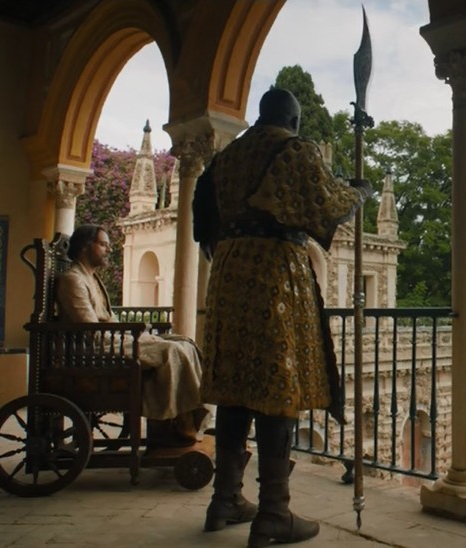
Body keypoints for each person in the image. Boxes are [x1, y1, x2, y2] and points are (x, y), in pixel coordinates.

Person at [195, 87, 372, 545]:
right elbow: (325, 203)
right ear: (293, 120)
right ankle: (274, 511)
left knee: (234, 386)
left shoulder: (225, 158)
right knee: (278, 384)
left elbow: (204, 222)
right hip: (272, 272)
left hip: (227, 274)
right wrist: (358, 192)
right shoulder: (293, 148)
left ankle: (224, 499)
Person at [56, 224, 207, 448]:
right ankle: (176, 422)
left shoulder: (91, 278)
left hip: (111, 339)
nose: (109, 249)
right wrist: (131, 333)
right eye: (103, 244)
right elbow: (90, 329)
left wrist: (132, 333)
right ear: (86, 247)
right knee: (172, 351)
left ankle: (182, 418)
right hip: (97, 346)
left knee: (185, 343)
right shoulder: (73, 280)